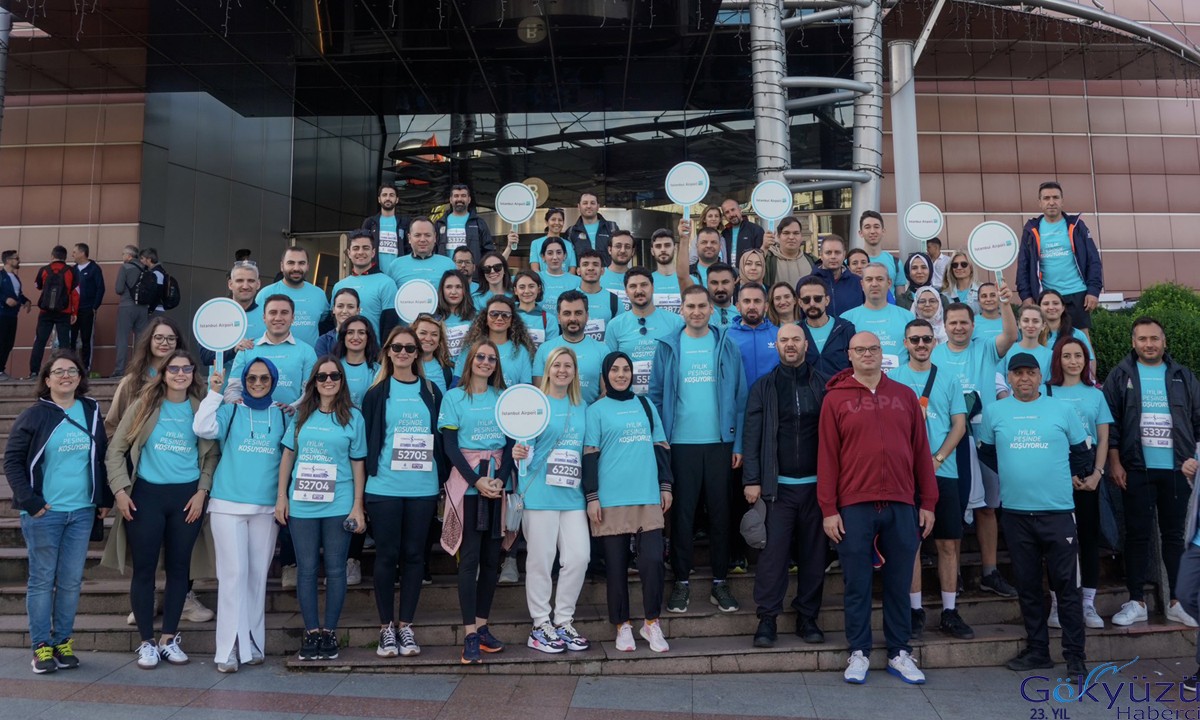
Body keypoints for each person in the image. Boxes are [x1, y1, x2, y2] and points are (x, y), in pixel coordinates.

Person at [818, 331, 937, 685]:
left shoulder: (904, 395)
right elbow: (827, 456)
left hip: (901, 501)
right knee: (857, 582)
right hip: (854, 504)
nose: (867, 354)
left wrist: (928, 502)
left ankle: (900, 652)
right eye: (860, 349)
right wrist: (828, 508)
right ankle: (859, 651)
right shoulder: (835, 399)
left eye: (873, 349)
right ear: (849, 355)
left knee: (899, 583)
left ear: (882, 353)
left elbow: (921, 451)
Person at [977, 352, 1091, 676]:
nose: (1024, 378)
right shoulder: (994, 412)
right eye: (1018, 373)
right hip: (1016, 514)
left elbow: (1082, 454)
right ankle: (1038, 650)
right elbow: (987, 452)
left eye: (1030, 373)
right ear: (1009, 378)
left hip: (1058, 513)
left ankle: (1075, 657)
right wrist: (1015, 474)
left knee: (1067, 588)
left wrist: (1060, 477)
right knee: (1027, 587)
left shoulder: (1062, 410)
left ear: (1040, 377)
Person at [105, 349, 217, 669]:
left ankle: (168, 639)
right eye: (174, 369)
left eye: (186, 369)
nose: (180, 374)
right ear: (163, 374)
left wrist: (202, 492)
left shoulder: (200, 408)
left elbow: (211, 455)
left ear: (193, 374)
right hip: (146, 497)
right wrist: (120, 491)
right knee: (144, 570)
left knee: (180, 570)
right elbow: (115, 450)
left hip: (187, 499)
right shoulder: (144, 405)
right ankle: (147, 643)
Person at [5, 351, 110, 673]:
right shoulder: (34, 415)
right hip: (44, 514)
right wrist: (30, 501)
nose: (66, 376)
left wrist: (103, 497)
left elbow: (101, 456)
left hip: (82, 511)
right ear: (47, 380)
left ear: (80, 378)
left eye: (72, 371)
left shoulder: (91, 410)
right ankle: (41, 647)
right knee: (41, 580)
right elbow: (12, 461)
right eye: (59, 371)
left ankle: (63, 641)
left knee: (70, 581)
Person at [650, 286, 747, 614]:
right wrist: (661, 440)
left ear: (711, 309)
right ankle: (681, 581)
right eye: (690, 306)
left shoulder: (726, 344)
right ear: (681, 309)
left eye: (701, 306)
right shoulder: (667, 346)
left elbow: (741, 398)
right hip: (680, 444)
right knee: (683, 515)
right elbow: (656, 395)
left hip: (720, 444)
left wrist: (738, 442)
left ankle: (720, 582)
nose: (696, 311)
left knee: (721, 514)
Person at [1103, 316, 1200, 628]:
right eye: (1142, 339)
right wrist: (1115, 462)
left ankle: (1177, 604)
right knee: (1137, 536)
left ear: (1164, 342)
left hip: (1178, 470)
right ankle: (1136, 602)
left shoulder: (1183, 376)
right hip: (1136, 468)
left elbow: (1198, 420)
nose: (1148, 344)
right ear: (1133, 342)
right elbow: (1111, 423)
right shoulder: (1120, 375)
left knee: (1175, 537)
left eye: (1154, 338)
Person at [194, 358, 289, 673]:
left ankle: (252, 642)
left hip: (266, 507)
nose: (258, 384)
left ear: (273, 382)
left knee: (257, 577)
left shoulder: (283, 414)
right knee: (233, 576)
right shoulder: (230, 410)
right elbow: (202, 427)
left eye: (264, 379)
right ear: (244, 380)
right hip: (228, 504)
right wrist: (215, 393)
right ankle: (227, 649)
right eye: (252, 378)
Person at [275, 357, 368, 661]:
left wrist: (357, 505)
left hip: (339, 502)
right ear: (313, 382)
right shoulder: (301, 414)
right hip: (302, 504)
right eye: (322, 376)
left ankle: (329, 632)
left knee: (336, 568)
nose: (328, 381)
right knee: (306, 569)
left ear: (342, 381)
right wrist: (281, 497)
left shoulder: (354, 417)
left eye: (335, 376)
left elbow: (358, 463)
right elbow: (288, 456)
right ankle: (312, 631)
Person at [363, 327, 447, 659]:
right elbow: (367, 441)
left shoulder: (431, 391)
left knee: (414, 556)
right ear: (387, 351)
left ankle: (406, 626)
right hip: (384, 486)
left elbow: (441, 435)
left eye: (409, 348)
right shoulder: (375, 393)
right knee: (386, 555)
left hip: (423, 488)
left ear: (418, 353)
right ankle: (386, 627)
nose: (403, 353)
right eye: (397, 347)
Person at [743, 325, 827, 648]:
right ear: (776, 345)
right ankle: (767, 619)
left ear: (806, 344)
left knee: (814, 556)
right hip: (776, 490)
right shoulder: (763, 387)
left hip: (816, 489)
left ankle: (807, 616)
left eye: (795, 339)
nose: (790, 345)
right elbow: (752, 436)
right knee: (772, 558)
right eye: (784, 340)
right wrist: (752, 479)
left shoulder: (823, 384)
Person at [931, 295, 1019, 599]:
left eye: (964, 323)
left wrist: (1005, 303)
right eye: (953, 323)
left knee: (988, 507)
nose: (959, 327)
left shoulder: (984, 348)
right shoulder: (935, 355)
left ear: (973, 325)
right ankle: (951, 575)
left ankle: (990, 572)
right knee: (952, 509)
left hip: (985, 439)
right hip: (949, 442)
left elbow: (1011, 335)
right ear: (944, 326)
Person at [889, 320, 972, 642]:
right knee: (910, 544)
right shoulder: (893, 378)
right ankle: (914, 610)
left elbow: (959, 425)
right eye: (915, 340)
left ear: (934, 342)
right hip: (905, 475)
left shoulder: (948, 378)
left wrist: (936, 459)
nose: (921, 344)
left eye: (926, 339)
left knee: (948, 542)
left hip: (944, 471)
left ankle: (950, 611)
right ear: (905, 343)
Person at [585, 352, 673, 652]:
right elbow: (590, 455)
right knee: (616, 567)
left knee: (652, 561)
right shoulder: (595, 411)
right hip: (611, 500)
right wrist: (592, 496)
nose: (621, 374)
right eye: (615, 370)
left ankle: (651, 623)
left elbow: (661, 446)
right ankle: (622, 626)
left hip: (647, 495)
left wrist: (665, 485)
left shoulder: (646, 405)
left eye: (626, 369)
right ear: (605, 374)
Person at [438, 339, 515, 664]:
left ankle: (483, 628)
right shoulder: (454, 397)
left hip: (497, 486)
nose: (485, 362)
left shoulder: (504, 398)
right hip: (469, 487)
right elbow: (450, 447)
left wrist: (500, 479)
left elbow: (511, 444)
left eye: (491, 358)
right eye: (480, 357)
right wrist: (476, 481)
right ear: (470, 361)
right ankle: (469, 632)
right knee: (469, 561)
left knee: (491, 561)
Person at [511, 347, 591, 653]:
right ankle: (540, 624)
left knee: (579, 558)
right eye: (557, 365)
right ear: (547, 370)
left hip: (573, 497)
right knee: (541, 561)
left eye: (568, 365)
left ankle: (563, 620)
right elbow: (524, 453)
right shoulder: (536, 404)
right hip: (540, 495)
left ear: (575, 372)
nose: (562, 370)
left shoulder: (582, 406)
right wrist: (519, 453)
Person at [1046, 337, 1111, 631]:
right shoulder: (1047, 393)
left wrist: (1098, 473)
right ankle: (1058, 604)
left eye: (1078, 356)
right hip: (1056, 474)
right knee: (1057, 541)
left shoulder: (1096, 394)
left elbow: (1103, 437)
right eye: (1067, 356)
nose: (1073, 361)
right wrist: (1063, 473)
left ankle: (1087, 603)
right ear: (1057, 360)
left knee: (1087, 538)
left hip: (1088, 475)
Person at [1017, 180, 1103, 337]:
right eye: (1046, 198)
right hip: (1046, 296)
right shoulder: (1031, 230)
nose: (1051, 202)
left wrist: (1093, 291)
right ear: (1040, 203)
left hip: (1077, 293)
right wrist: (1026, 296)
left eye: (1055, 197)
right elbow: (1023, 265)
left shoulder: (1077, 226)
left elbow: (1094, 260)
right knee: (1045, 339)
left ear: (1062, 201)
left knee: (1081, 340)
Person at [226, 295, 319, 405]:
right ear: (264, 317)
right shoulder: (247, 349)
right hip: (250, 415)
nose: (278, 318)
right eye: (273, 312)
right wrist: (241, 406)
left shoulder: (307, 351)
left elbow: (310, 392)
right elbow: (233, 390)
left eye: (284, 313)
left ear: (293, 318)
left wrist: (292, 408)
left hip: (293, 416)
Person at [605, 268, 685, 395]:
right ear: (626, 291)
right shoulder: (614, 325)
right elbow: (610, 368)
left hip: (666, 397)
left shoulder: (675, 322)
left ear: (653, 287)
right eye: (633, 286)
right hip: (630, 399)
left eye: (644, 285)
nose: (639, 291)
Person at [534, 291, 607, 403]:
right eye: (567, 313)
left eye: (578, 313)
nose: (572, 319)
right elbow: (539, 394)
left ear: (587, 316)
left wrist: (589, 411)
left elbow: (606, 392)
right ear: (559, 317)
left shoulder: (602, 350)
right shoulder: (544, 349)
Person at [839, 264, 914, 373]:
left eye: (880, 279)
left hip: (899, 380)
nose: (874, 284)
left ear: (889, 283)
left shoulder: (907, 317)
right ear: (862, 284)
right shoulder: (846, 319)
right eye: (869, 279)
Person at [255, 247, 330, 348]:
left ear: (308, 266)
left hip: (311, 357)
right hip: (273, 356)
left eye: (301, 263)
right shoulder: (265, 294)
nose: (296, 268)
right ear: (282, 266)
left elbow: (325, 324)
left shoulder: (319, 295)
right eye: (290, 263)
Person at [331, 230, 399, 341]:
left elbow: (390, 326)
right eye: (356, 248)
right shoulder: (339, 286)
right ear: (349, 253)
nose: (360, 252)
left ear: (373, 252)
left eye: (365, 248)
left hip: (374, 350)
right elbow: (333, 323)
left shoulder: (387, 284)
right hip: (342, 349)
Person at [202, 260, 267, 374]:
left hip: (259, 384)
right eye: (240, 281)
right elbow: (206, 357)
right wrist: (233, 349)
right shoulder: (214, 314)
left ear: (258, 284)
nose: (245, 286)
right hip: (222, 384)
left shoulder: (267, 316)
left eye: (251, 281)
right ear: (230, 284)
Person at [455, 295, 536, 387]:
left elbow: (525, 389)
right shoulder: (471, 347)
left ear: (512, 321)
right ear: (486, 318)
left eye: (505, 315)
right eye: (494, 314)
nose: (499, 318)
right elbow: (457, 382)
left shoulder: (521, 351)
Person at [28, 246, 79, 380]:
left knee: (40, 341)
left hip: (45, 311)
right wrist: (74, 312)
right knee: (64, 343)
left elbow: (37, 286)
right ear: (65, 257)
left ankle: (34, 372)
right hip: (64, 311)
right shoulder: (71, 271)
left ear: (52, 256)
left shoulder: (44, 270)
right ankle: (65, 371)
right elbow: (75, 293)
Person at [797, 276, 854, 377]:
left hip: (840, 386)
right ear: (800, 303)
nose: (812, 303)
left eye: (817, 298)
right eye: (806, 300)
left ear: (827, 300)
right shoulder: (797, 332)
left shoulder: (845, 329)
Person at [726, 283, 778, 388]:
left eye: (757, 301)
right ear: (738, 306)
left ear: (766, 306)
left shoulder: (779, 334)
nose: (752, 306)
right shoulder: (727, 337)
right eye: (746, 301)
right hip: (740, 398)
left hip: (772, 397)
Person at [1040, 289, 1096, 376]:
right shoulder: (1033, 336)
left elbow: (1089, 363)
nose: (1051, 307)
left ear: (1063, 308)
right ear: (1039, 307)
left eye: (1055, 303)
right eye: (1046, 304)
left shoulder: (1077, 334)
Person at [390, 217, 459, 288]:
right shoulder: (395, 266)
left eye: (427, 235)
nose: (422, 239)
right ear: (409, 238)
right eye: (417, 235)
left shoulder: (448, 265)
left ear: (435, 237)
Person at [113, 245, 148, 377]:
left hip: (127, 306)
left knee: (122, 338)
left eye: (123, 254)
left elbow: (119, 289)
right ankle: (139, 369)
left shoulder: (125, 267)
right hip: (143, 307)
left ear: (129, 256)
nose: (122, 256)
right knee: (141, 339)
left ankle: (120, 370)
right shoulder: (145, 268)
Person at [360, 184, 409, 276]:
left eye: (391, 195)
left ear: (397, 199)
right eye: (384, 195)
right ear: (379, 199)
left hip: (398, 275)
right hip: (374, 275)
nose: (388, 198)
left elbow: (409, 248)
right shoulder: (370, 223)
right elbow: (363, 246)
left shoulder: (404, 223)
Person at [436, 184, 496, 259]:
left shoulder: (479, 223)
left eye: (463, 196)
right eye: (456, 196)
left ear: (469, 200)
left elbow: (488, 251)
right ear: (451, 200)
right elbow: (433, 249)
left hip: (471, 266)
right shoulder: (440, 223)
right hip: (446, 266)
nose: (459, 199)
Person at [809, 235, 864, 317]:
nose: (833, 256)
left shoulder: (858, 283)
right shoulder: (808, 283)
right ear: (821, 255)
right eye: (828, 253)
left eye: (837, 252)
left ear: (844, 255)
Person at [69, 243, 104, 372]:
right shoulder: (72, 270)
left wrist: (94, 307)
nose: (72, 255)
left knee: (86, 339)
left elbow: (100, 288)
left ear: (82, 253)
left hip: (87, 309)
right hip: (73, 311)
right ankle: (71, 366)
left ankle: (85, 368)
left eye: (74, 252)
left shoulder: (94, 269)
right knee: (71, 339)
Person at [333, 316, 381, 408]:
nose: (355, 337)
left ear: (368, 337)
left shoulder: (378, 371)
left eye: (361, 333)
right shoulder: (333, 367)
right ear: (343, 336)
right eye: (350, 332)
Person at [576, 250, 622, 341]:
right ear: (578, 271)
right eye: (585, 264)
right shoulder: (568, 299)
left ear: (602, 271)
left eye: (595, 264)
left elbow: (621, 333)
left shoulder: (614, 300)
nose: (590, 268)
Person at [0, 250, 31, 380]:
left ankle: (1, 369)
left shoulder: (15, 278)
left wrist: (26, 301)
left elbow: (19, 294)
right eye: (16, 258)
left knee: (8, 343)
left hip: (12, 315)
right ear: (8, 260)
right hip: (2, 313)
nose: (19, 261)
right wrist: (5, 299)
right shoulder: (1, 276)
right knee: (1, 341)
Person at [858, 211, 904, 295]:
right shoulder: (850, 263)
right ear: (861, 233)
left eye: (876, 227)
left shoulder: (896, 263)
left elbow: (900, 298)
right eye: (867, 227)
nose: (872, 231)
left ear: (883, 231)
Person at [567, 192, 620, 264]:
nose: (589, 206)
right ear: (579, 206)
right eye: (585, 203)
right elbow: (569, 260)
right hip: (581, 271)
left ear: (598, 206)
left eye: (592, 203)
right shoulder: (571, 232)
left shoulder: (611, 227)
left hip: (608, 271)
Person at [1000, 305, 1052, 378]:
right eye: (1026, 321)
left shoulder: (1050, 355)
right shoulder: (1006, 351)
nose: (1030, 325)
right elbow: (999, 378)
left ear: (1043, 326)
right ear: (1019, 324)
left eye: (1035, 321)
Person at [762, 216, 814, 288]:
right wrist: (764, 248)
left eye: (796, 233)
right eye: (786, 233)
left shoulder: (812, 261)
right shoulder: (769, 260)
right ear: (778, 236)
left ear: (801, 237)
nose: (791, 237)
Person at [435, 270, 476, 360]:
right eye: (449, 287)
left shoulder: (476, 317)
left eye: (458, 287)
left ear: (465, 290)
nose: (453, 292)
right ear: (442, 290)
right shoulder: (434, 318)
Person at [537, 237, 583, 314]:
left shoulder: (577, 281)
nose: (555, 257)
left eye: (559, 252)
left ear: (564, 255)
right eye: (550, 253)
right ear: (543, 257)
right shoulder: (535, 279)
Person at [412, 314, 455, 393]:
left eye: (434, 334)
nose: (428, 338)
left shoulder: (449, 370)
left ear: (440, 340)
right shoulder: (402, 366)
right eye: (423, 333)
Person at [314, 287, 362, 358]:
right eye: (340, 306)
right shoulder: (324, 341)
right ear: (333, 309)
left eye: (350, 307)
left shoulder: (365, 339)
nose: (344, 311)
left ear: (358, 310)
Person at [529, 208, 576, 272]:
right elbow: (535, 268)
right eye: (553, 219)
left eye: (560, 220)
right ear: (546, 222)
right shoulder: (536, 243)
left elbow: (572, 269)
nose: (557, 223)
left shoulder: (569, 245)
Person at [720, 198, 765, 265]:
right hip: (728, 271)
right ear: (724, 216)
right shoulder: (724, 233)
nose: (731, 214)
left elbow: (761, 255)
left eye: (733, 209)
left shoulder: (756, 230)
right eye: (727, 212)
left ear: (740, 209)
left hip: (748, 270)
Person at [648, 229, 683, 314]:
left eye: (667, 245)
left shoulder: (689, 280)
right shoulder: (646, 281)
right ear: (652, 251)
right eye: (658, 246)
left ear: (675, 248)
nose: (663, 249)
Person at [599, 230, 636, 304]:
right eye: (618, 246)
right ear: (610, 250)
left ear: (632, 251)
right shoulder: (598, 276)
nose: (623, 250)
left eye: (627, 247)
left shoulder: (638, 278)